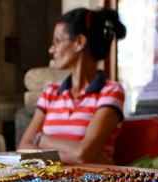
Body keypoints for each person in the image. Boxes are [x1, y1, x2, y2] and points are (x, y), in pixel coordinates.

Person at [17, 8, 126, 164]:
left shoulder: (111, 91)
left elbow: (83, 155)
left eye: (57, 41)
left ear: (80, 42)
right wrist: (75, 154)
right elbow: (22, 148)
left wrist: (41, 139)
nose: (51, 49)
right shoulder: (50, 92)